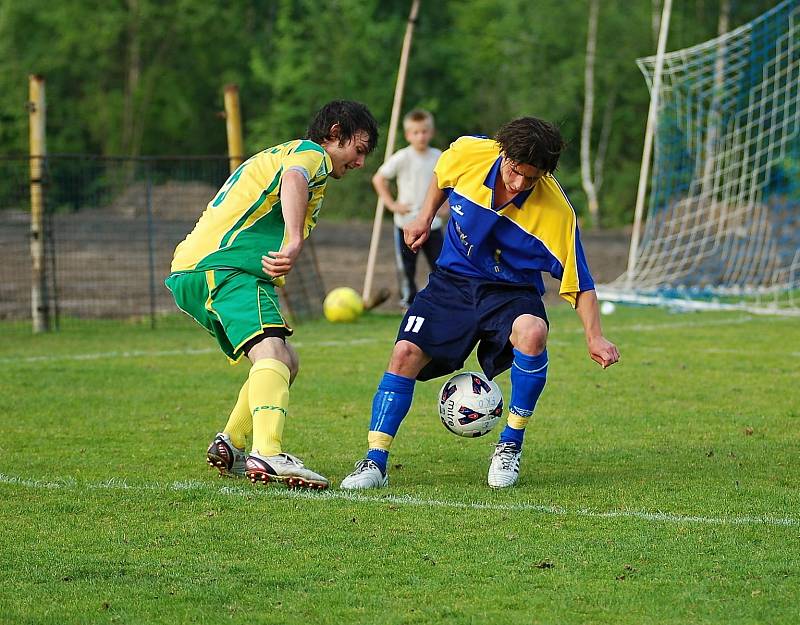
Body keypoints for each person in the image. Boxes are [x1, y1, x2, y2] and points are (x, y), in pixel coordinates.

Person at [341, 117, 620, 490]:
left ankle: (510, 445)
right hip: (452, 281)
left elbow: (580, 281)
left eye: (532, 178)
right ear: (503, 154)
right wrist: (424, 218)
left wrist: (594, 336)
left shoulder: (556, 213)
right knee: (405, 353)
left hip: (510, 292)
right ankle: (374, 462)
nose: (520, 183)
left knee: (534, 332)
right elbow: (442, 175)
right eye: (516, 172)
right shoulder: (469, 152)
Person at [166, 100, 378, 490]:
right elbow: (294, 179)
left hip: (200, 269)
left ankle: (232, 443)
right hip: (223, 267)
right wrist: (294, 239)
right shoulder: (310, 154)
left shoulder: (287, 154)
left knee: (286, 360)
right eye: (359, 149)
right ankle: (269, 451)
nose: (361, 162)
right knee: (272, 352)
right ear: (334, 133)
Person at [372, 109, 446, 308]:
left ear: (431, 132)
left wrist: (446, 206)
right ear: (408, 135)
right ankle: (409, 301)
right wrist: (391, 204)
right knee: (407, 267)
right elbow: (379, 178)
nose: (420, 136)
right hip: (405, 224)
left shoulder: (439, 156)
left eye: (424, 131)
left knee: (441, 264)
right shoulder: (402, 157)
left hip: (433, 223)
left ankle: (444, 299)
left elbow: (450, 184)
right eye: (415, 132)